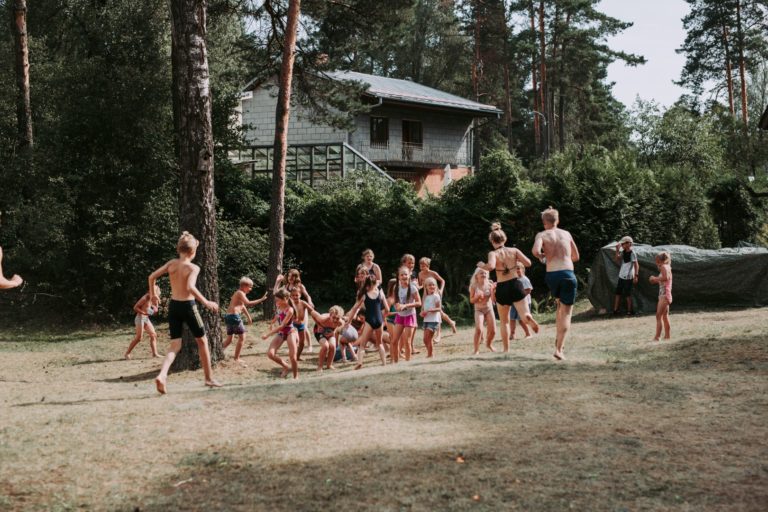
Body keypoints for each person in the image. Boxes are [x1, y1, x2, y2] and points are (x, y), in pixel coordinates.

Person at [149, 232, 222, 394]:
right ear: (193, 252)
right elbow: (190, 287)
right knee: (202, 341)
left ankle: (162, 375)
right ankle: (208, 378)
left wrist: (153, 295)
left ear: (178, 249)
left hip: (174, 306)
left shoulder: (171, 264)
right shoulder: (193, 267)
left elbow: (152, 277)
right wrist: (207, 302)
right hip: (188, 307)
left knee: (175, 345)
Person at [478, 223, 539, 352]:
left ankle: (506, 349)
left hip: (502, 288)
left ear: (492, 241)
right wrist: (516, 262)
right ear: (504, 239)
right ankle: (528, 317)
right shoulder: (514, 250)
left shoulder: (493, 253)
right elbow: (528, 263)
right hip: (515, 284)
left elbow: (491, 267)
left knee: (504, 321)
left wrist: (482, 265)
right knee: (524, 313)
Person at [532, 207, 579, 361]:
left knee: (559, 306)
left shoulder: (542, 234)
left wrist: (542, 256)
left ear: (544, 222)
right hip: (567, 273)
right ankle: (559, 349)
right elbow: (576, 256)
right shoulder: (566, 234)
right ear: (557, 220)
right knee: (567, 312)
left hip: (551, 275)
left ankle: (558, 341)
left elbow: (535, 251)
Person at [222, 277, 268, 365]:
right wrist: (261, 300)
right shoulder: (240, 293)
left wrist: (249, 317)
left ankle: (218, 353)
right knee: (242, 338)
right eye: (250, 287)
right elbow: (248, 303)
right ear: (244, 286)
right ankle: (237, 358)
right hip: (234, 317)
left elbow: (242, 306)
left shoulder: (240, 293)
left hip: (229, 316)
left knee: (229, 339)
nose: (251, 289)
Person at [346, 274, 389, 369]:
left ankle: (359, 363)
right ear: (375, 284)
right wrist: (383, 317)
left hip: (369, 321)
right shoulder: (380, 293)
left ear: (367, 285)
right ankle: (384, 363)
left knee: (362, 345)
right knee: (380, 343)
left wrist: (348, 321)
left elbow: (354, 309)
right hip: (379, 320)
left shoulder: (364, 295)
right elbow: (387, 309)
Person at [262, 287, 299, 378]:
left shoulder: (290, 310)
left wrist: (268, 334)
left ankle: (296, 377)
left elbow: (282, 326)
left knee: (293, 357)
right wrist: (272, 323)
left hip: (291, 332)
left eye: (277, 300)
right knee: (270, 354)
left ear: (285, 299)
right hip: (282, 333)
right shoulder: (279, 305)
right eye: (276, 299)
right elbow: (278, 315)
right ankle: (286, 366)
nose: (276, 301)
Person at [417, 257, 457, 341]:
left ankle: (438, 335)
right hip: (426, 294)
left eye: (423, 265)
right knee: (440, 313)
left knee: (438, 313)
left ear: (428, 265)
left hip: (436, 293)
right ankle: (451, 322)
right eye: (420, 265)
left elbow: (442, 281)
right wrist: (417, 287)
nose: (421, 267)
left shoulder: (433, 273)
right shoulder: (420, 274)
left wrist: (441, 290)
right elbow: (421, 284)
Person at [275, 270, 314, 353]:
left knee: (304, 327)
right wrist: (277, 282)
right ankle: (294, 346)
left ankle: (310, 346)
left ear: (296, 277)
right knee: (292, 328)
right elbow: (276, 293)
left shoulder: (300, 286)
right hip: (291, 310)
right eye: (289, 276)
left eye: (292, 276)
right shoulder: (286, 287)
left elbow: (307, 295)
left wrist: (310, 302)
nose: (290, 278)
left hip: (300, 308)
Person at [390, 266, 422, 362]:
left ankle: (408, 363)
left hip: (410, 316)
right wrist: (397, 306)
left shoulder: (413, 288)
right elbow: (396, 300)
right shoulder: (396, 287)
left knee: (407, 341)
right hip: (400, 317)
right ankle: (395, 362)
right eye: (402, 274)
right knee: (394, 341)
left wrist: (405, 306)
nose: (404, 276)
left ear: (409, 275)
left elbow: (419, 303)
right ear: (398, 276)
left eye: (406, 274)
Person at [124, 285, 162, 360]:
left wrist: (156, 307)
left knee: (153, 335)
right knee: (139, 338)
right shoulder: (146, 297)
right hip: (140, 318)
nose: (154, 292)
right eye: (152, 290)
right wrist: (144, 313)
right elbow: (135, 307)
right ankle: (127, 353)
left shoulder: (154, 299)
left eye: (155, 291)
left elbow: (153, 312)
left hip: (146, 319)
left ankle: (155, 354)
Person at [308, 304, 345, 372]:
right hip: (319, 331)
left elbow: (342, 325)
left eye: (337, 318)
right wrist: (318, 324)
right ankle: (320, 366)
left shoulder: (340, 322)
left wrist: (334, 331)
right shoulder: (322, 319)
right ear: (330, 315)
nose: (335, 320)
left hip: (330, 331)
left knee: (333, 346)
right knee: (325, 346)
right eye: (333, 317)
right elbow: (312, 312)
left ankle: (329, 365)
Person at [469, 268, 496, 354]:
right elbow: (471, 300)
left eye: (485, 273)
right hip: (478, 310)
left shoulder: (490, 284)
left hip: (489, 309)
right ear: (476, 276)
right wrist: (477, 297)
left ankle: (489, 344)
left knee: (493, 331)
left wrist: (493, 290)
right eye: (481, 273)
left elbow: (493, 300)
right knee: (479, 329)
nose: (484, 275)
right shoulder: (473, 286)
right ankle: (476, 350)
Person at [649, 251, 673, 341]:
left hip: (664, 295)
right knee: (665, 316)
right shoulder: (667, 267)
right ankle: (667, 336)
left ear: (660, 260)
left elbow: (665, 278)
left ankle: (657, 337)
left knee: (658, 316)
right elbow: (664, 279)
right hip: (665, 294)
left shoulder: (664, 266)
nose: (656, 262)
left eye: (656, 260)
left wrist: (654, 278)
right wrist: (656, 280)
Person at [613, 236, 639, 315]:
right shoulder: (623, 251)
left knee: (628, 294)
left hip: (628, 277)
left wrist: (636, 276)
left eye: (623, 243)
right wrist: (617, 250)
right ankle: (615, 310)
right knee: (618, 293)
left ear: (629, 244)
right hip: (621, 275)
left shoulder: (632, 253)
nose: (622, 245)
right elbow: (617, 259)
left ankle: (629, 311)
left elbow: (636, 265)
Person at [509, 263, 533, 340]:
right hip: (514, 302)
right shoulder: (513, 279)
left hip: (524, 303)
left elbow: (528, 290)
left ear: (523, 269)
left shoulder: (524, 279)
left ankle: (528, 333)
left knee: (521, 320)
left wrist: (520, 297)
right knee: (511, 318)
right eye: (515, 268)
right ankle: (512, 334)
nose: (517, 270)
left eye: (518, 268)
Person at [419, 277, 442, 358]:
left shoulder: (436, 296)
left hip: (434, 320)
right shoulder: (425, 297)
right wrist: (421, 313)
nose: (432, 286)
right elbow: (423, 309)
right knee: (425, 340)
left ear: (435, 286)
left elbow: (439, 308)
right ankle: (430, 353)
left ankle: (430, 355)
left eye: (433, 285)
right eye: (430, 285)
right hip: (426, 320)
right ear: (426, 287)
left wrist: (431, 310)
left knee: (429, 338)